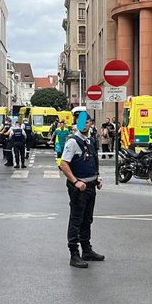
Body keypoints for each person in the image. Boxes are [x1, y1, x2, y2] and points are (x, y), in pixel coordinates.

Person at [59, 114, 105, 268]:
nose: (84, 125)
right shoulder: (73, 142)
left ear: (91, 123)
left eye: (87, 122)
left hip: (90, 186)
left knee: (87, 219)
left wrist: (97, 178)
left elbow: (92, 161)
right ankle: (74, 254)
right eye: (81, 122)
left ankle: (86, 249)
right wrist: (75, 181)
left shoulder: (91, 141)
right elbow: (64, 164)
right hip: (79, 187)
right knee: (76, 219)